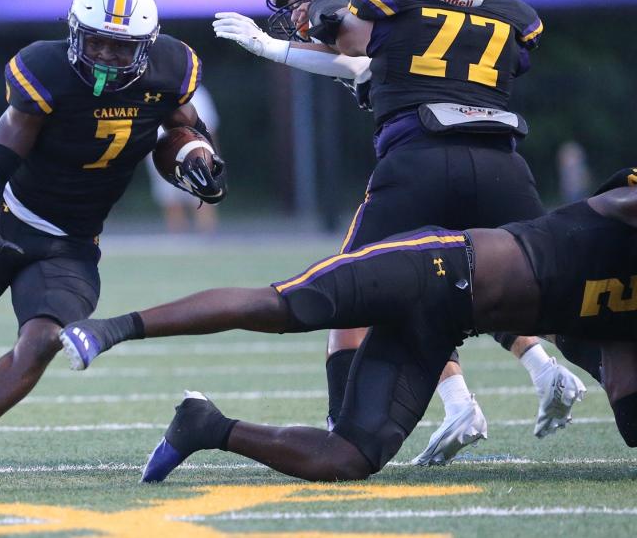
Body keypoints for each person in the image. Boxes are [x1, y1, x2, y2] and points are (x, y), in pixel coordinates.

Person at [210, 0, 586, 464]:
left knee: (362, 290)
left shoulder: (378, 6)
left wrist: (270, 46)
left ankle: (348, 429)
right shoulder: (482, 17)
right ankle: (532, 374)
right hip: (498, 161)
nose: (293, 8)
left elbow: (349, 55)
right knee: (521, 282)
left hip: (422, 166)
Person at [59, 170, 637, 483]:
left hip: (441, 331)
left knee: (347, 460)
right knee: (284, 307)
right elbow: (621, 197)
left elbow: (628, 410)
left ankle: (206, 426)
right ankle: (116, 328)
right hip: (434, 266)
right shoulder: (617, 212)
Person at [0, 0, 227, 488]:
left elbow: (183, 127)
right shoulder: (46, 71)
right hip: (9, 220)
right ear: (75, 34)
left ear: (147, 44)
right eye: (98, 43)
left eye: (123, 47)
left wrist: (199, 160)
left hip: (72, 243)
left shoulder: (169, 69)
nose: (109, 58)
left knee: (44, 338)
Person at [146, 85, 221, 233]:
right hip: (162, 152)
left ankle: (207, 244)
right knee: (172, 202)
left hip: (197, 155)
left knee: (204, 198)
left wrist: (213, 156)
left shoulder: (197, 93)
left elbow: (209, 128)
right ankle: (180, 245)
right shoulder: (153, 90)